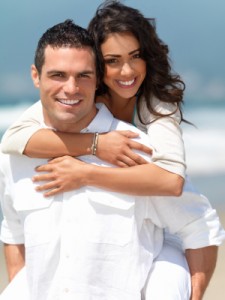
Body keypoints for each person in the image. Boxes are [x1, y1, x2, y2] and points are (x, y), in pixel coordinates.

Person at [1, 2, 225, 299]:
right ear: (36, 76)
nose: (70, 88)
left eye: (135, 57)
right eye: (57, 76)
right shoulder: (23, 148)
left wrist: (86, 173)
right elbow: (11, 149)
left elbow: (176, 187)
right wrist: (96, 144)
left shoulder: (150, 117)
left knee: (167, 281)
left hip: (160, 231)